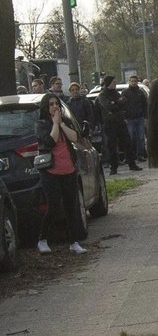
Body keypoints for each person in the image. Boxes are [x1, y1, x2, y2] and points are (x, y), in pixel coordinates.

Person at [35, 94, 88, 254]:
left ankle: (74, 242)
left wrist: (62, 124)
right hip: (51, 172)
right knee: (54, 206)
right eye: (51, 104)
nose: (54, 107)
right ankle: (42, 239)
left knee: (71, 207)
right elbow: (50, 141)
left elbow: (75, 137)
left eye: (56, 104)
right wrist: (55, 124)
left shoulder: (63, 122)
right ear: (46, 107)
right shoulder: (42, 124)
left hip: (68, 170)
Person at [97, 75, 141, 174]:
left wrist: (115, 104)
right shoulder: (102, 95)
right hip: (109, 123)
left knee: (127, 143)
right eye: (113, 82)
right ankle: (114, 167)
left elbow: (124, 102)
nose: (115, 84)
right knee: (112, 146)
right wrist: (116, 105)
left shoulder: (116, 93)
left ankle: (132, 164)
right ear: (109, 83)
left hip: (120, 122)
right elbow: (108, 106)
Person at [121, 75, 148, 162]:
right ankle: (131, 156)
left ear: (137, 82)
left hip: (140, 118)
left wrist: (145, 116)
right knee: (131, 138)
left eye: (135, 81)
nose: (133, 83)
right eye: (132, 81)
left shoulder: (140, 92)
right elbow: (122, 106)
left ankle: (140, 155)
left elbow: (145, 105)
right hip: (129, 119)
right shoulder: (125, 93)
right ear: (129, 82)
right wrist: (124, 117)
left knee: (140, 138)